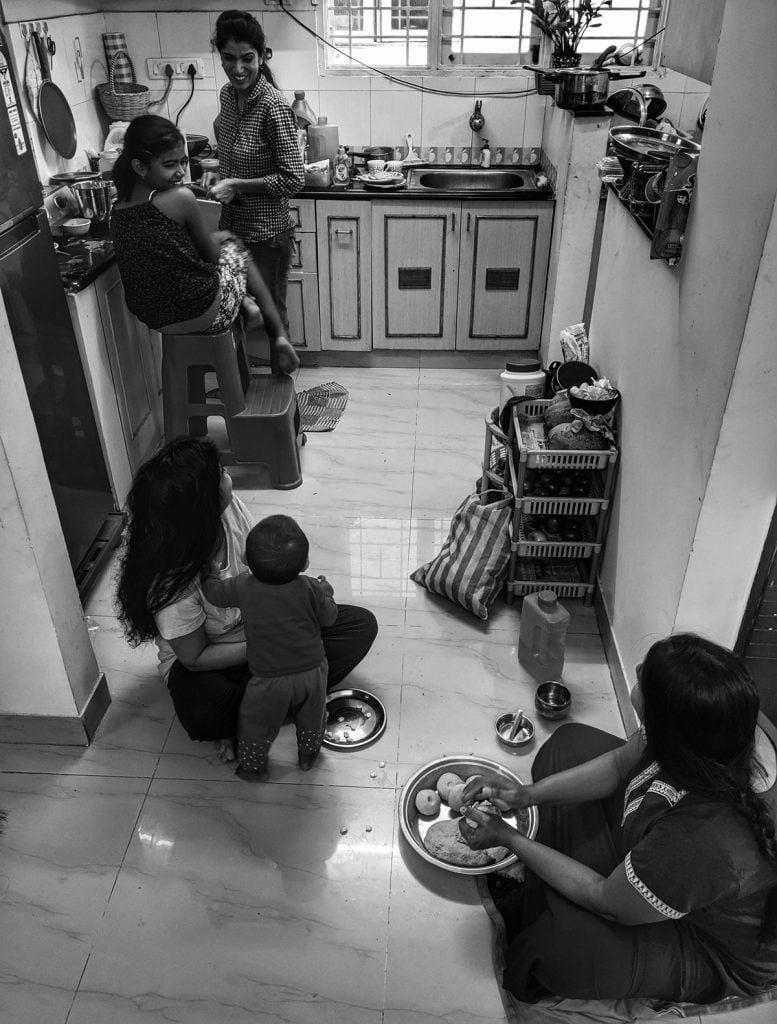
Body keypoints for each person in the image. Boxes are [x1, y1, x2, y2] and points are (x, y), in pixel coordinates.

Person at [460, 633, 777, 1006]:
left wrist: (509, 838)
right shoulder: (720, 722)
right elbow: (617, 764)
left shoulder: (705, 839)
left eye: (645, 677)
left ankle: (550, 904)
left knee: (560, 948)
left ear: (669, 734)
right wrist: (525, 795)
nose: (638, 669)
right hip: (670, 863)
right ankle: (557, 884)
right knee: (569, 744)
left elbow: (605, 900)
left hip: (702, 941)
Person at [115, 437, 378, 760]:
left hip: (259, 629)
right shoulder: (172, 582)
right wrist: (272, 643)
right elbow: (194, 658)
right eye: (222, 474)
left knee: (359, 626)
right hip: (215, 662)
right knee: (202, 707)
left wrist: (300, 608)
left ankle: (264, 707)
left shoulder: (228, 512)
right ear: (202, 509)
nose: (229, 478)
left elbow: (265, 573)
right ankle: (278, 703)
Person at [110, 113, 299, 375]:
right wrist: (222, 240)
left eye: (184, 162)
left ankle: (245, 303)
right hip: (202, 313)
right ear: (140, 167)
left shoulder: (117, 209)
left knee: (217, 249)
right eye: (169, 165)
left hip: (154, 319)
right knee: (232, 246)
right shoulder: (180, 198)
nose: (179, 172)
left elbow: (174, 252)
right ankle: (277, 332)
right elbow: (212, 258)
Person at [202, 514, 338, 781]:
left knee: (256, 724)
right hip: (313, 671)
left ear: (244, 560)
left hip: (268, 680)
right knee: (313, 714)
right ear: (306, 563)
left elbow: (214, 594)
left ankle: (253, 767)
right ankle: (309, 754)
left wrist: (208, 575)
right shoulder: (311, 587)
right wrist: (327, 594)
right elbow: (329, 618)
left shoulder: (243, 586)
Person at [209, 10, 304, 341]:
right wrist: (223, 175)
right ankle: (244, 388)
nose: (238, 69)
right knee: (234, 309)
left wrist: (236, 184)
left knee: (272, 316)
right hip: (232, 231)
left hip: (267, 236)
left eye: (247, 58)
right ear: (219, 56)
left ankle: (286, 387)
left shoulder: (273, 105)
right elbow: (226, 136)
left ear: (262, 56)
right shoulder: (228, 96)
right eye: (228, 58)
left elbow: (293, 179)